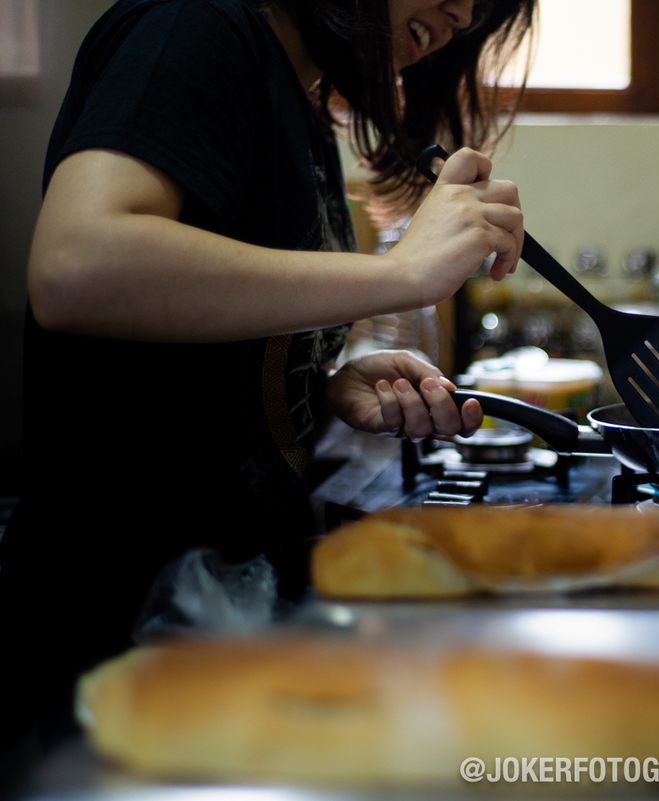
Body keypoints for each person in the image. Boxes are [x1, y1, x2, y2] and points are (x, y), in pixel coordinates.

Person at [0, 0, 535, 757]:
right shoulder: (197, 24)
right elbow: (75, 267)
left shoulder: (297, 101)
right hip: (109, 649)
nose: (462, 11)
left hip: (210, 639)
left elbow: (188, 353)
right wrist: (402, 273)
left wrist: (317, 385)